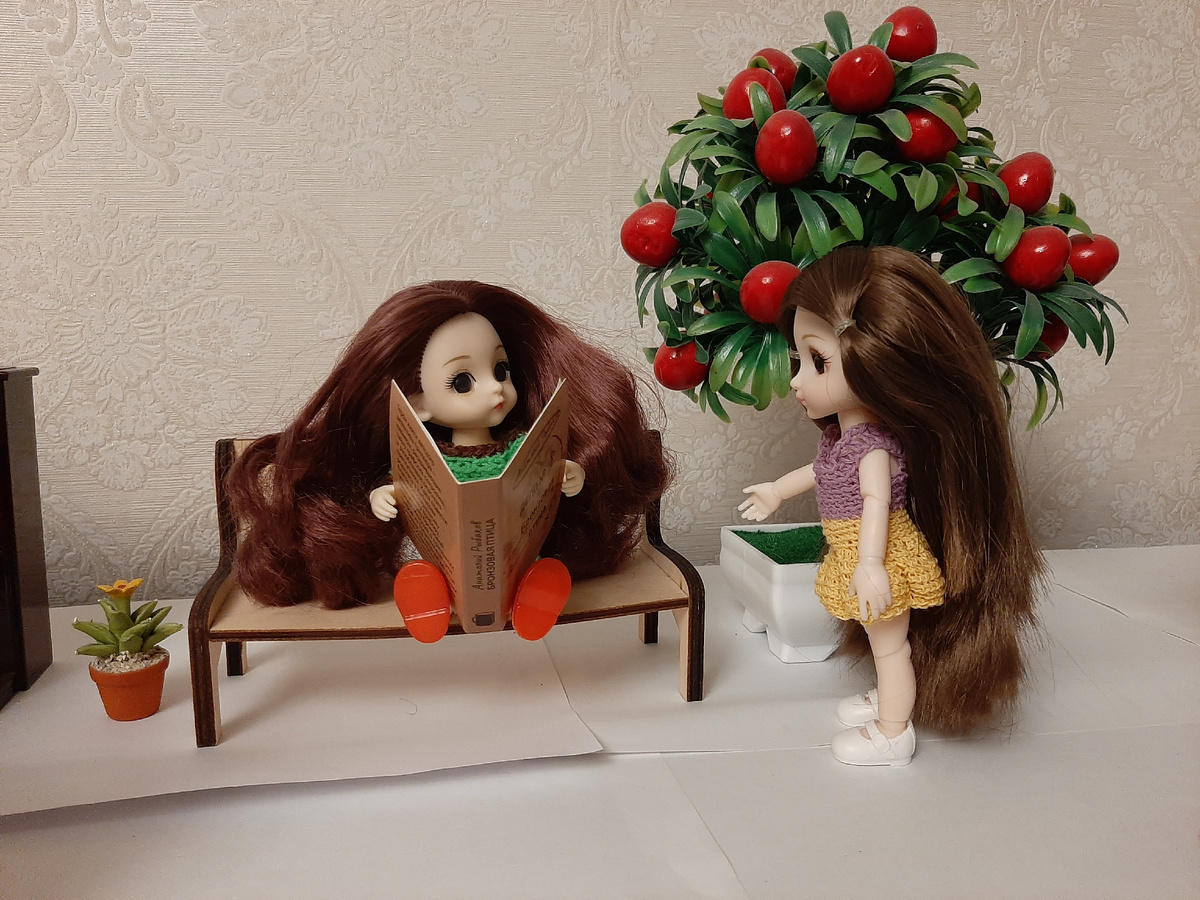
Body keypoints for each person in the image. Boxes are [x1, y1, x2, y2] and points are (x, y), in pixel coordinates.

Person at [226, 280, 671, 637]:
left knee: (529, 567)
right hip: (451, 554)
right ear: (417, 403)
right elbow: (401, 484)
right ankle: (430, 599)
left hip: (509, 548)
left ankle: (533, 595)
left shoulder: (517, 445)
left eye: (500, 370)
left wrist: (566, 472)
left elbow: (542, 469)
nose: (495, 388)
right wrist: (383, 495)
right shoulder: (426, 459)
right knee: (434, 572)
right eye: (462, 382)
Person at [740, 246, 1043, 766]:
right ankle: (889, 699)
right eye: (799, 360)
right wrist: (776, 490)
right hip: (857, 554)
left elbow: (877, 502)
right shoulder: (841, 441)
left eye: (817, 361)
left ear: (877, 361)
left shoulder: (873, 449)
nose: (796, 380)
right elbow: (820, 473)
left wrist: (870, 563)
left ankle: (892, 732)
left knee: (889, 646)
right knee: (885, 641)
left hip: (880, 557)